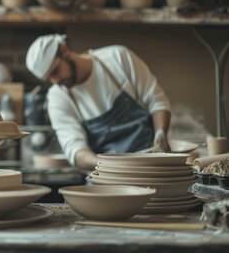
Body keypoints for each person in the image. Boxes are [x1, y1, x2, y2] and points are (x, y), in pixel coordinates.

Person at [25, 34, 172, 170]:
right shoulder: (58, 97)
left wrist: (161, 133)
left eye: (55, 71)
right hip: (107, 173)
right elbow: (75, 150)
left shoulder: (117, 58)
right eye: (50, 78)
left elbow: (157, 100)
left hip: (149, 163)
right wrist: (105, 165)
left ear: (64, 50)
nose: (56, 80)